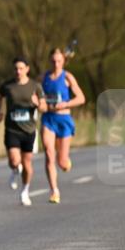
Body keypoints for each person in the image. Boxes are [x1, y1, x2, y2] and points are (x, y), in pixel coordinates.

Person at [0, 56, 48, 206]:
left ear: (27, 69)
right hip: (12, 128)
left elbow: (44, 107)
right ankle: (14, 169)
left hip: (29, 130)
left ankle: (25, 190)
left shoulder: (35, 86)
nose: (18, 71)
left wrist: (38, 104)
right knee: (14, 160)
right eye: (15, 69)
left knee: (27, 164)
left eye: (21, 68)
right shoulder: (7, 86)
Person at [40, 47, 86, 204]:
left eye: (59, 61)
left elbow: (81, 98)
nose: (56, 64)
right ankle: (54, 191)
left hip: (64, 120)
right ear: (49, 61)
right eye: (53, 61)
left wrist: (65, 104)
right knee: (48, 153)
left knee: (62, 162)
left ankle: (66, 162)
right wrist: (39, 104)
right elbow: (36, 95)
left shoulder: (68, 77)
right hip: (48, 119)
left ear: (63, 61)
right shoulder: (43, 77)